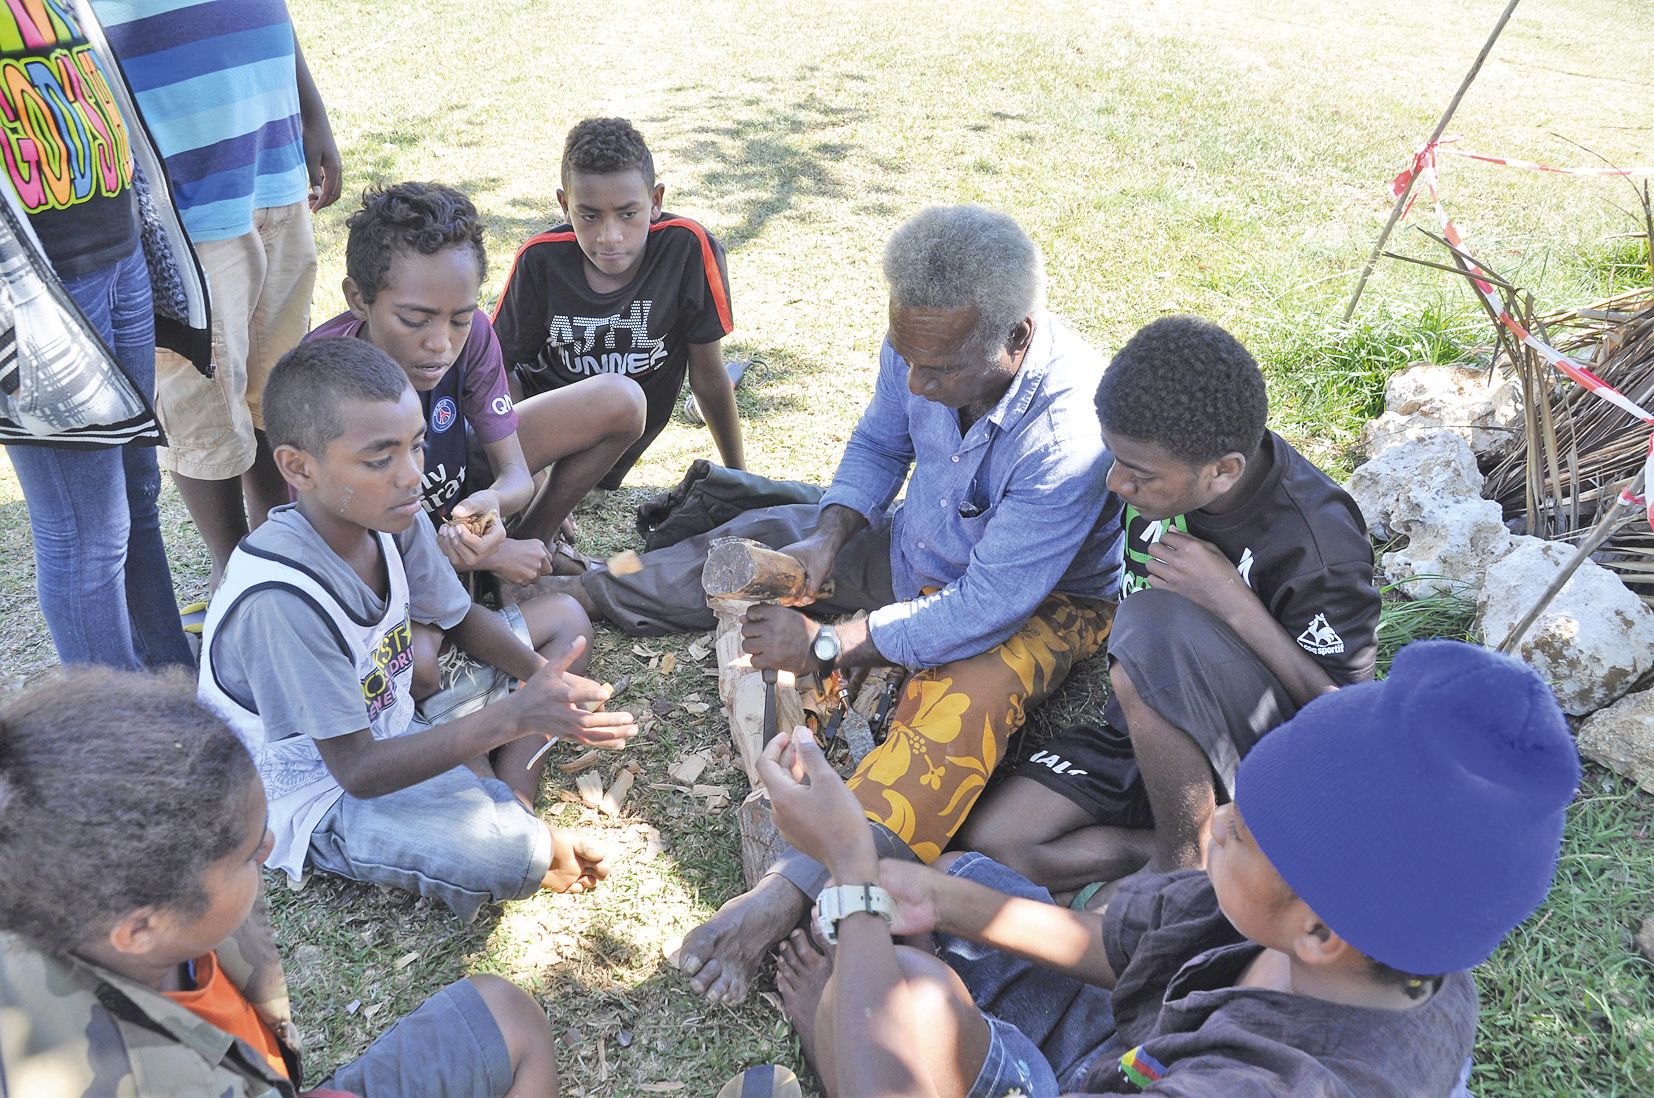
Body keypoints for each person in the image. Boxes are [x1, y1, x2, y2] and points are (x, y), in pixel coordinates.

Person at [549, 205, 1123, 1003]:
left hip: (1037, 604)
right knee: (763, 540)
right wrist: (827, 538)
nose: (916, 380)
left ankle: (783, 897)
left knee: (961, 710)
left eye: (940, 370)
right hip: (920, 544)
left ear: (1016, 339)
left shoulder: (1070, 433)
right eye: (906, 357)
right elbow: (881, 442)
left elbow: (985, 608)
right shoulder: (927, 335)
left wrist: (828, 644)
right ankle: (577, 590)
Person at [759, 639, 1579, 1096]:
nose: (1214, 824)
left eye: (1248, 833)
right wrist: (945, 900)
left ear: (1321, 928)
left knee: (915, 1006)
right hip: (1143, 1040)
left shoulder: (1268, 1088)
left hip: (1146, 1073)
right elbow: (1128, 944)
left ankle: (842, 1045)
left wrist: (854, 869)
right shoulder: (1386, 943)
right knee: (973, 882)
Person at [196, 338, 636, 922]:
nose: (411, 476)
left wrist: (539, 682)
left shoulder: (386, 514)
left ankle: (510, 796)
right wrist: (513, 716)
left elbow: (459, 617)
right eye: (380, 459)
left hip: (396, 713)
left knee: (562, 621)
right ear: (298, 467)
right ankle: (516, 822)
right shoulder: (281, 601)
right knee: (504, 853)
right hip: (320, 793)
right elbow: (356, 771)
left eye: (417, 446)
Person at [961, 316, 1380, 906]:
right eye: (1114, 459)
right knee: (998, 844)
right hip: (1147, 728)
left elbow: (1352, 726)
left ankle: (1183, 868)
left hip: (1259, 757)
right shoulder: (1167, 466)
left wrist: (1237, 607)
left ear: (1223, 472)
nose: (1115, 483)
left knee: (1151, 625)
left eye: (1139, 474)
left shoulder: (1316, 544)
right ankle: (1173, 845)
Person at [0, 666, 560, 1097]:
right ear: (141, 927)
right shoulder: (131, 1078)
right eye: (249, 855)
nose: (269, 848)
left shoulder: (78, 889)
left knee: (506, 1013)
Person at [96, 0, 342, 592]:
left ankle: (285, 546)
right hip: (184, 208)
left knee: (276, 386)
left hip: (274, 169)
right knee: (202, 399)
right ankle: (235, 570)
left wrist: (313, 116)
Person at [307, 181, 646, 601]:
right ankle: (494, 571)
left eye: (460, 319)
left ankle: (525, 563)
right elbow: (337, 553)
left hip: (453, 494)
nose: (440, 343)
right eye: (415, 320)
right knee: (426, 657)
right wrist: (484, 555)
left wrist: (491, 505)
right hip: (386, 542)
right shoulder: (322, 382)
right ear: (359, 299)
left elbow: (516, 475)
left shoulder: (476, 335)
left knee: (621, 400)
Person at [0, 0, 199, 670]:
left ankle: (172, 684)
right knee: (86, 532)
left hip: (118, 253)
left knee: (137, 491)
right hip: (34, 297)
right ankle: (119, 743)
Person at [491, 116, 745, 488]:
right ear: (565, 205)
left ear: (655, 200)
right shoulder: (540, 259)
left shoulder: (687, 248)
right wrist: (526, 470)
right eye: (589, 216)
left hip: (615, 435)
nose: (610, 237)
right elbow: (496, 369)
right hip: (539, 435)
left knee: (621, 400)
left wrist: (739, 479)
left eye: (628, 214)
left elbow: (708, 376)